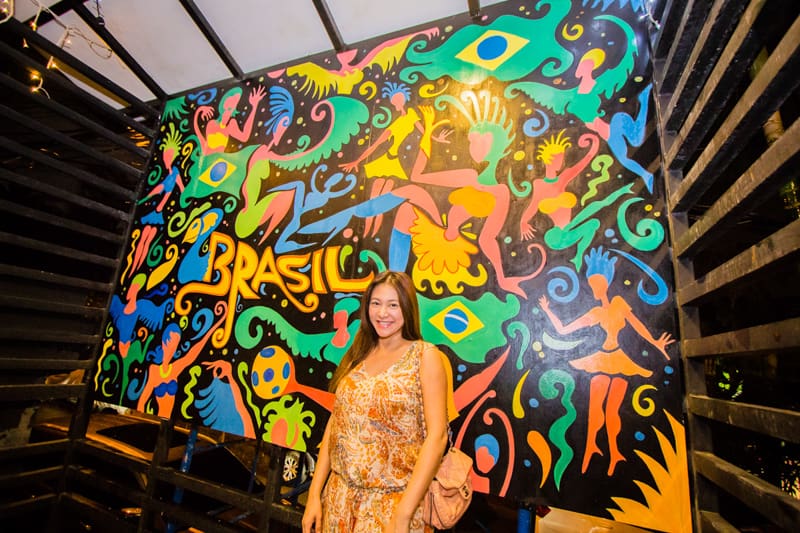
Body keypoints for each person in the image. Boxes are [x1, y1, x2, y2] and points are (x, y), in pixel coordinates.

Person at [301, 270, 449, 533]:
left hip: (391, 509)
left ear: (407, 308)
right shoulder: (359, 353)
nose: (383, 313)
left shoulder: (425, 357)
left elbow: (437, 437)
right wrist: (314, 494)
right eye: (376, 303)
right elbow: (336, 424)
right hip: (337, 502)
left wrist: (403, 514)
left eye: (393, 305)